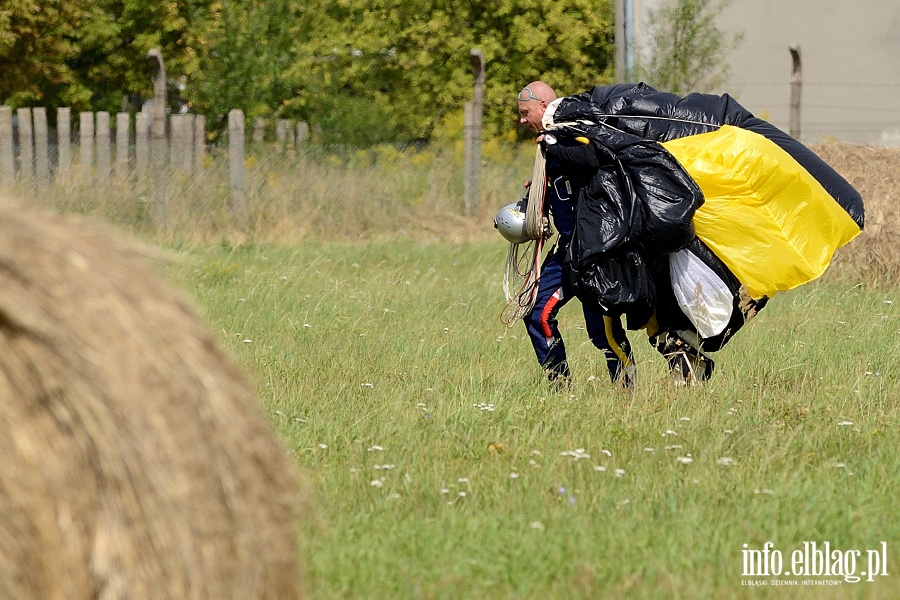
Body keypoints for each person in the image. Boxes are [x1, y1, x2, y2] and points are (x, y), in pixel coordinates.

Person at [516, 81, 636, 389]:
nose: (521, 120)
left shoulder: (571, 128)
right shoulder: (548, 144)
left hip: (593, 252)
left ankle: (627, 393)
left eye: (524, 112)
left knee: (603, 333)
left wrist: (552, 146)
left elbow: (592, 157)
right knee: (536, 315)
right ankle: (560, 387)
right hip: (567, 250)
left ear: (543, 107)